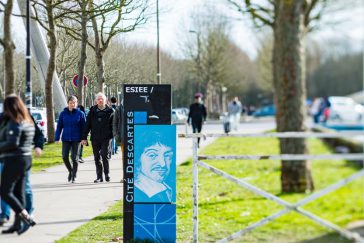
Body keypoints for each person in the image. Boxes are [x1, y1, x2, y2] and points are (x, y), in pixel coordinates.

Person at [0, 95, 36, 235]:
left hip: (15, 160)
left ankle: (25, 215)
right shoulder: (27, 121)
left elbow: (12, 143)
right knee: (18, 192)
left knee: (4, 191)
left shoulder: (15, 123)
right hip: (26, 159)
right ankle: (16, 224)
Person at [134, 130, 175, 203]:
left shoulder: (166, 189)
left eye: (167, 156)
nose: (163, 164)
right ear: (138, 158)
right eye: (152, 155)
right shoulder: (139, 193)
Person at [82, 93, 114, 183]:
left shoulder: (110, 111)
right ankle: (99, 176)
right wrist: (84, 137)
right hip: (95, 138)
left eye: (102, 99)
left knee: (104, 155)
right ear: (96, 100)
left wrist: (113, 135)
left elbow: (114, 125)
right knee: (96, 157)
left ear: (105, 100)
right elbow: (87, 124)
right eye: (98, 99)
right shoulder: (92, 111)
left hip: (106, 137)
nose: (100, 100)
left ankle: (107, 174)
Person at [55, 96, 86, 183]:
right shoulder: (63, 114)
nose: (72, 104)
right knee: (64, 156)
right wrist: (57, 137)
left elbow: (84, 128)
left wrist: (84, 138)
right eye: (71, 103)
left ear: (76, 104)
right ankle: (71, 171)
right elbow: (59, 127)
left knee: (74, 158)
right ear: (68, 103)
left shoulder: (81, 114)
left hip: (77, 139)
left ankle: (74, 176)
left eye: (74, 103)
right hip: (66, 138)